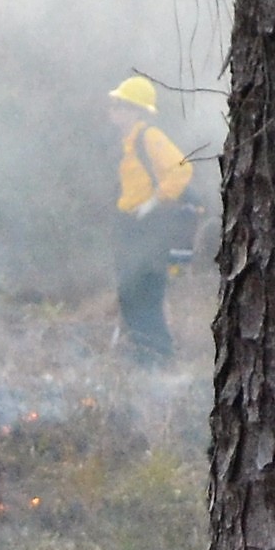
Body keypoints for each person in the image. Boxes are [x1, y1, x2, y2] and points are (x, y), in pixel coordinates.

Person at [107, 75, 195, 362]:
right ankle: (144, 358)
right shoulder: (128, 142)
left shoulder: (149, 136)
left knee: (144, 292)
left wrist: (156, 201)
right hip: (132, 227)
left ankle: (157, 358)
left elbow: (182, 169)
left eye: (120, 105)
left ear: (135, 109)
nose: (114, 110)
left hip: (150, 228)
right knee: (129, 292)